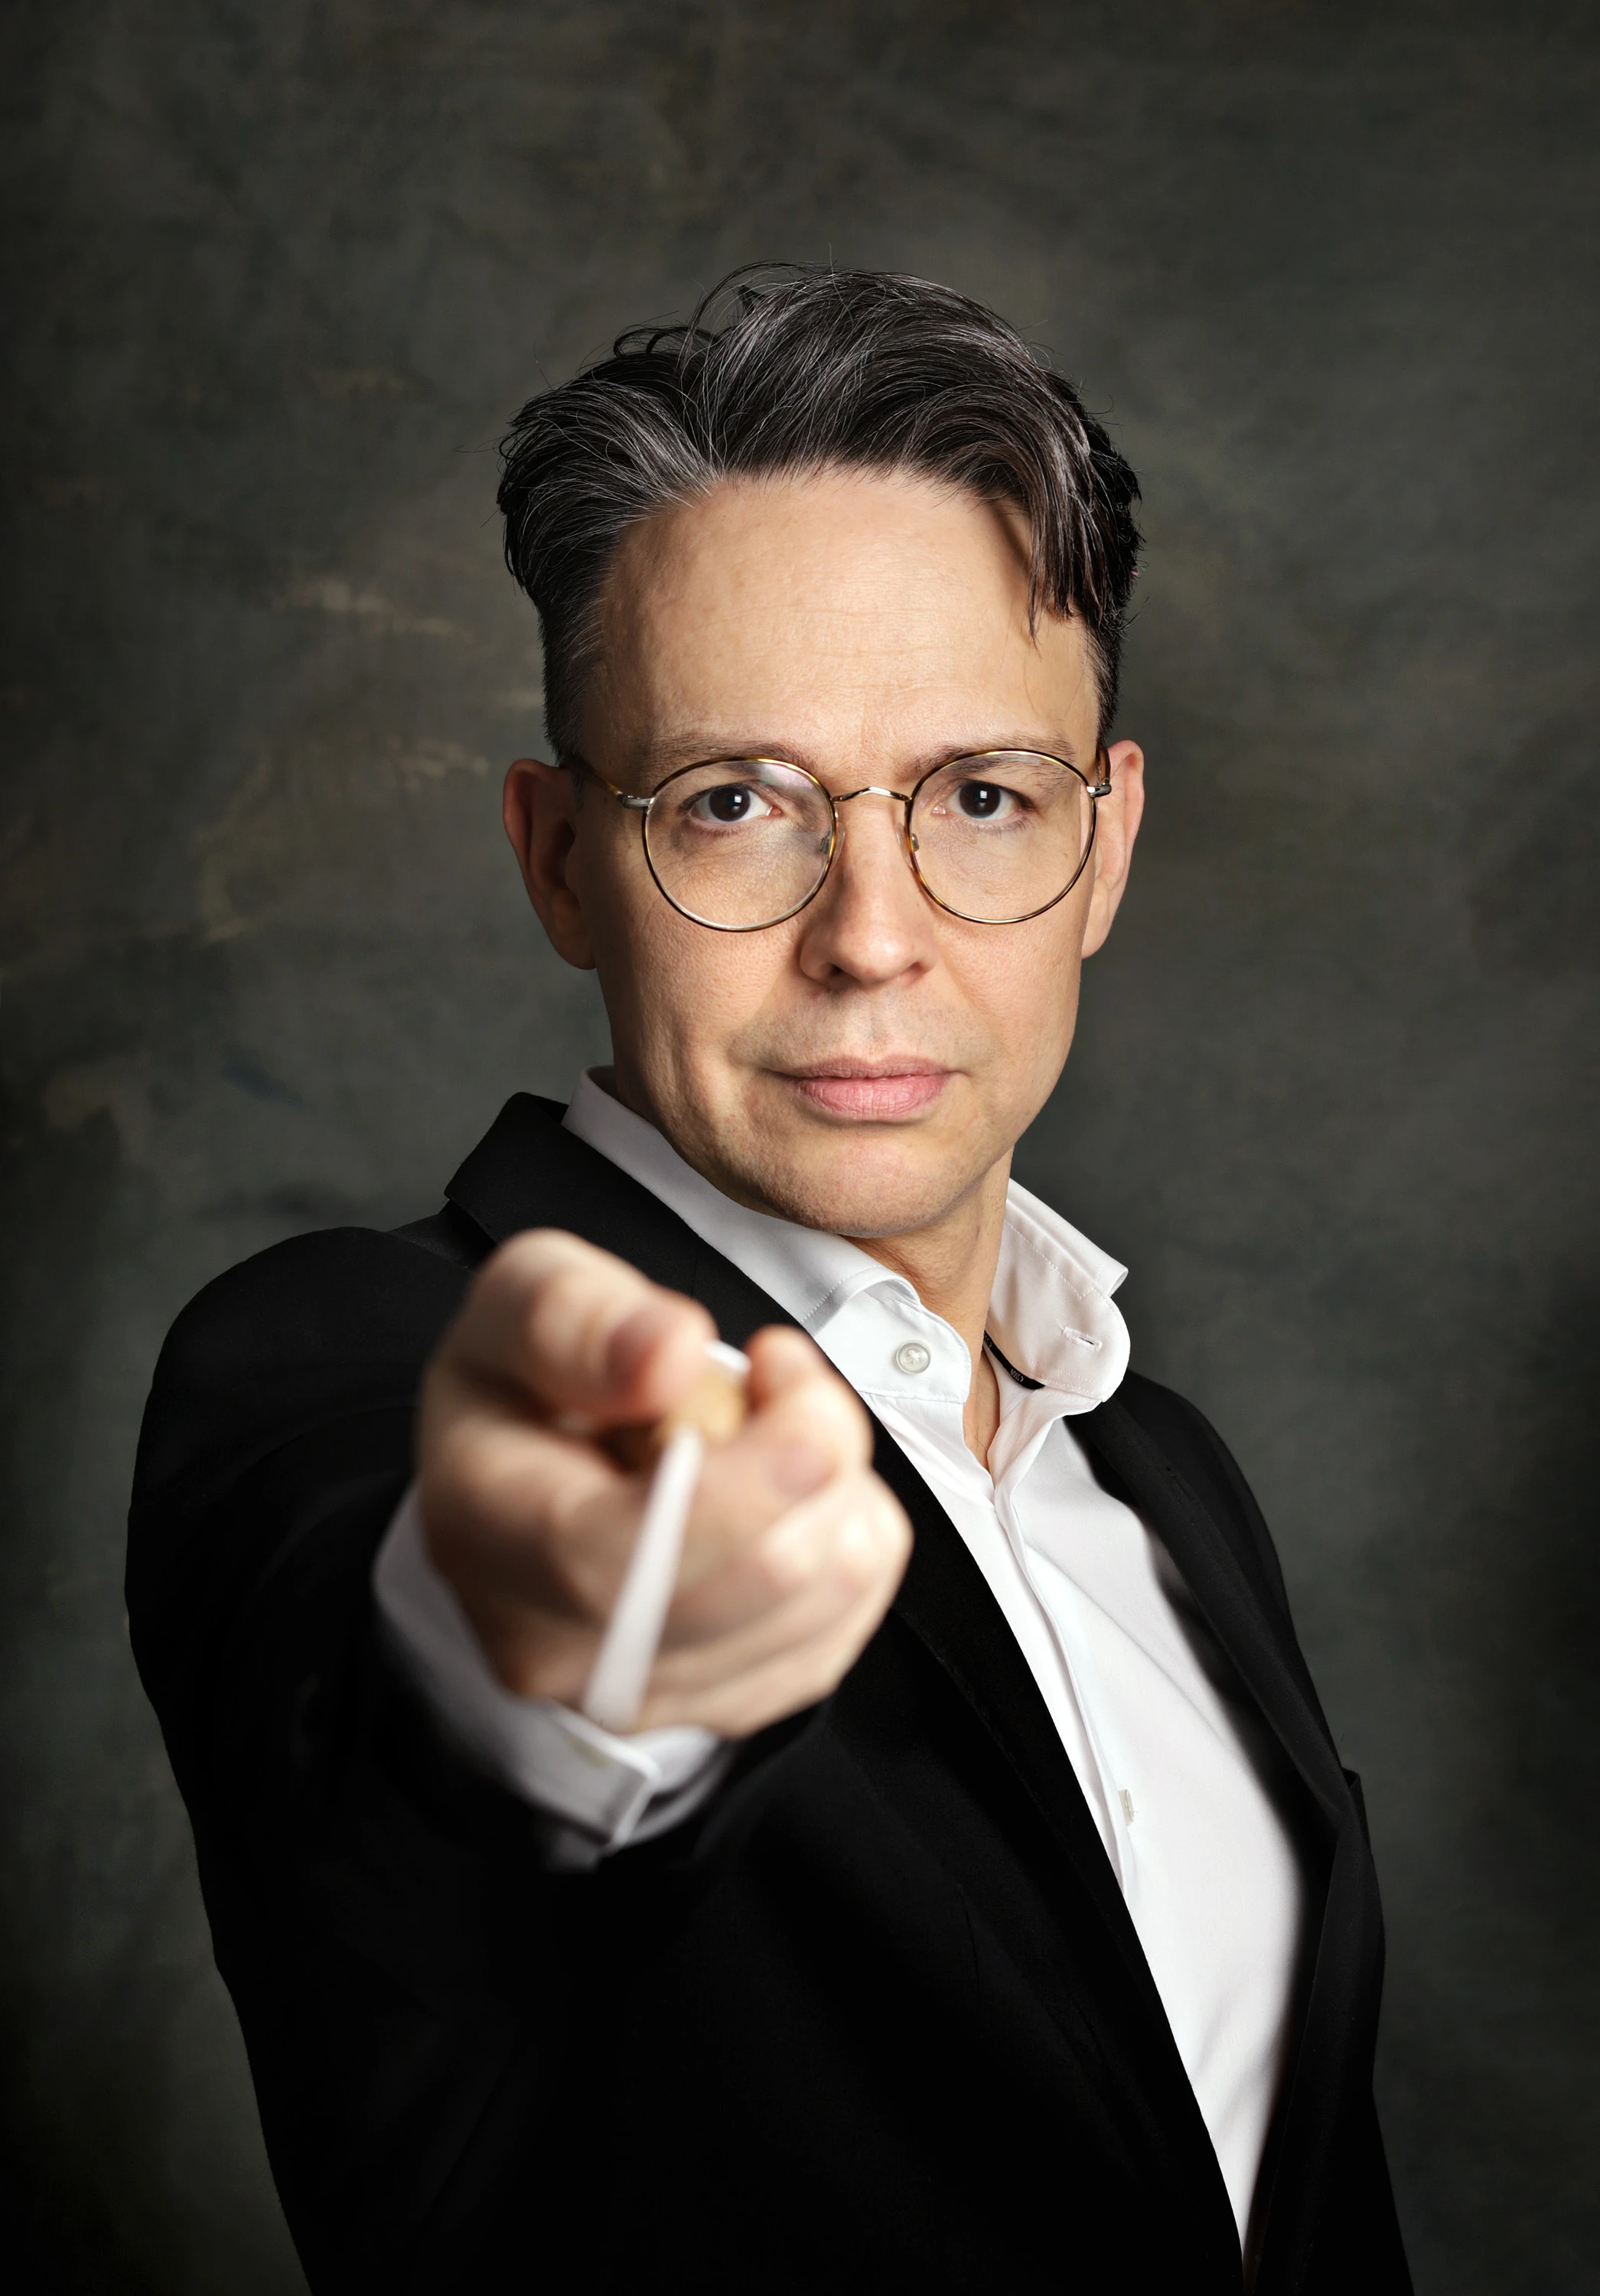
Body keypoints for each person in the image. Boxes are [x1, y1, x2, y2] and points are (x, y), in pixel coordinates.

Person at [127, 267, 1411, 2294]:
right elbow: (393, 1735)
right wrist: (555, 1647)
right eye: (735, 803)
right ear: (560, 861)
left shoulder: (1169, 1482)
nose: (871, 935)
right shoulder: (357, 1366)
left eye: (982, 798)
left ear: (1104, 850)